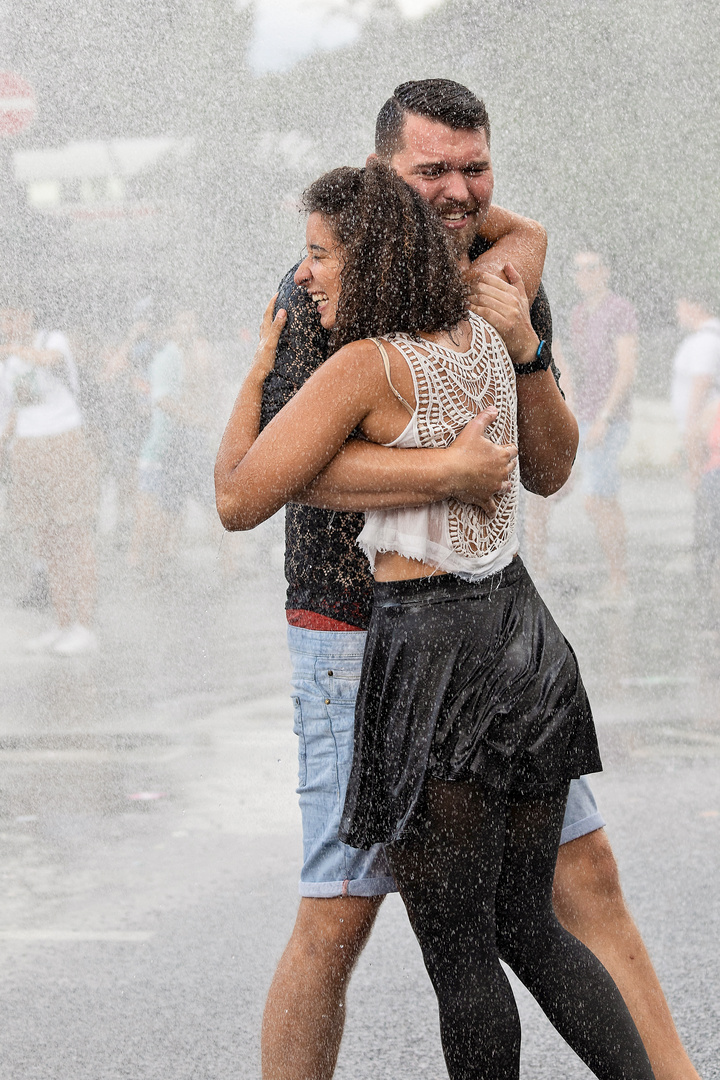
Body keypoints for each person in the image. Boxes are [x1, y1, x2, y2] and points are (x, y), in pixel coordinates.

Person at [226, 82, 699, 1080]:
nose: (455, 190)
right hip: (355, 631)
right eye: (430, 170)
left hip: (469, 634)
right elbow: (296, 476)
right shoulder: (323, 282)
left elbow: (549, 465)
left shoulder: (500, 289)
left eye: (472, 168)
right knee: (345, 915)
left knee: (568, 892)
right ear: (379, 177)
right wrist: (445, 464)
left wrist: (525, 337)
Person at [0, 297, 100, 655]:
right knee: (47, 538)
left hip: (64, 442)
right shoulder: (8, 361)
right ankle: (61, 624)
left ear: (27, 314)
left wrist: (12, 347)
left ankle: (85, 626)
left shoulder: (51, 340)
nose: (6, 323)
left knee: (74, 532)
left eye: (11, 315)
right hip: (26, 450)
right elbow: (9, 413)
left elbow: (50, 361)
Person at [570, 250, 638, 602]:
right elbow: (575, 368)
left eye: (592, 267)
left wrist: (605, 418)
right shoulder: (579, 314)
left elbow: (626, 368)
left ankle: (619, 582)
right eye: (578, 269)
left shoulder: (619, 310)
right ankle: (616, 581)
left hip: (609, 417)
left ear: (606, 272)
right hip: (585, 413)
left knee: (598, 499)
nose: (585, 275)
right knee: (595, 495)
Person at [671, 294, 720, 629]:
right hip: (708, 449)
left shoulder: (705, 343)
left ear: (694, 305)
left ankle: (706, 608)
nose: (676, 313)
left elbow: (697, 399)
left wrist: (691, 457)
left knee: (707, 532)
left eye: (680, 306)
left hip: (709, 454)